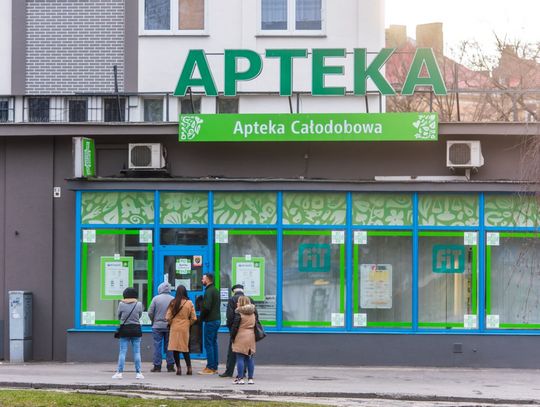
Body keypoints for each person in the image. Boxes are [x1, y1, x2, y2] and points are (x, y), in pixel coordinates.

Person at [112, 287, 144, 380]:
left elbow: (119, 316)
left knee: (122, 352)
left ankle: (119, 373)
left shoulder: (121, 304)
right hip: (136, 329)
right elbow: (140, 315)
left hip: (124, 329)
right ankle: (138, 373)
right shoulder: (139, 304)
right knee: (137, 352)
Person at [166, 285, 197, 375]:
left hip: (175, 327)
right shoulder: (189, 303)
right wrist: (188, 323)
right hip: (185, 327)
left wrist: (171, 322)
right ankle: (189, 368)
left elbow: (167, 317)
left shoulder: (173, 302)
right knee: (185, 348)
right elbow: (194, 318)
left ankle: (178, 368)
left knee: (175, 348)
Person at [148, 281, 175, 373]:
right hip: (169, 326)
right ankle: (170, 366)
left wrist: (153, 320)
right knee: (169, 346)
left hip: (157, 326)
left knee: (157, 346)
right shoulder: (173, 299)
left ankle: (157, 366)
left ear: (160, 289)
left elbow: (150, 312)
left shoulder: (156, 299)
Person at [219, 284, 245, 378]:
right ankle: (243, 372)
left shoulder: (232, 299)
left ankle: (229, 371)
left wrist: (231, 328)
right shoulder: (249, 299)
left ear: (234, 291)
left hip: (235, 329)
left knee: (232, 351)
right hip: (247, 331)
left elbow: (229, 316)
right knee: (245, 352)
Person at [230, 296, 256, 385]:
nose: (237, 303)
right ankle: (250, 379)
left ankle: (240, 378)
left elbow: (235, 327)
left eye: (238, 302)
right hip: (251, 336)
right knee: (250, 357)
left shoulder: (239, 313)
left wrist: (232, 337)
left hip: (240, 336)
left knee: (240, 357)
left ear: (241, 303)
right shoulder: (253, 313)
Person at [198, 272, 221, 375]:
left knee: (209, 344)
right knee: (213, 343)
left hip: (210, 321)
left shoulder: (208, 291)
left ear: (208, 279)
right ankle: (214, 366)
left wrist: (201, 318)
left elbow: (206, 307)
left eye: (203, 279)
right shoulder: (215, 290)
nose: (202, 280)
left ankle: (210, 367)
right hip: (216, 320)